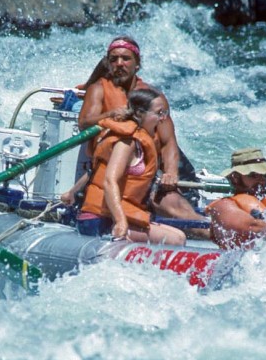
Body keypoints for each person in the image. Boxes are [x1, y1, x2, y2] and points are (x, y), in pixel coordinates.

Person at [73, 35, 210, 237]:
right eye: (114, 59)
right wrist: (110, 114)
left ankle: (224, 241)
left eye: (126, 58)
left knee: (178, 209)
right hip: (116, 172)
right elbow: (85, 122)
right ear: (108, 63)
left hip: (145, 173)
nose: (119, 63)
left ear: (138, 64)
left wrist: (170, 172)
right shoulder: (99, 89)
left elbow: (168, 142)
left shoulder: (153, 98)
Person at [75, 88, 186, 245]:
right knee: (177, 239)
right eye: (159, 113)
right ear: (141, 114)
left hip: (107, 217)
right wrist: (120, 221)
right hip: (101, 220)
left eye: (165, 113)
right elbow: (109, 181)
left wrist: (71, 193)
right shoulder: (128, 142)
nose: (163, 119)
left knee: (177, 234)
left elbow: (95, 172)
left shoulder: (139, 139)